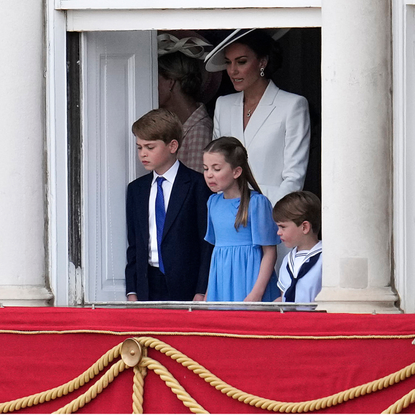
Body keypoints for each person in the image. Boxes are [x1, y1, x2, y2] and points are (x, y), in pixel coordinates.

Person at [204, 28, 311, 206]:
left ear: (262, 62)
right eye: (228, 63)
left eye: (241, 62)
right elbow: (216, 163)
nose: (233, 70)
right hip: (229, 212)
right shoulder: (223, 105)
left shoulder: (292, 105)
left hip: (272, 211)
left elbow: (294, 177)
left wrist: (269, 214)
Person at [125, 108, 213, 302]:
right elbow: (135, 244)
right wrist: (132, 290)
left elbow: (206, 243)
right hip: (148, 283)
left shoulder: (197, 185)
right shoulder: (136, 190)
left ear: (172, 146)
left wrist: (201, 289)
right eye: (139, 147)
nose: (143, 154)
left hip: (186, 284)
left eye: (150, 147)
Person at [202, 136, 280, 302]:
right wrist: (209, 293)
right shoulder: (212, 203)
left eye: (216, 169)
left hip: (250, 281)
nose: (209, 175)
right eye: (206, 168)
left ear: (236, 171)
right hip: (222, 282)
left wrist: (256, 293)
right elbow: (217, 253)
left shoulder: (257, 203)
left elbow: (269, 252)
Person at [158, 32, 220, 173]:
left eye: (157, 79)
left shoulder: (199, 131)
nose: (151, 86)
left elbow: (195, 187)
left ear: (170, 83)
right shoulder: (181, 126)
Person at [272, 191, 322, 303]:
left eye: (283, 227)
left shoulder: (325, 259)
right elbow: (284, 294)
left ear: (304, 227)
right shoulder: (287, 261)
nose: (278, 232)